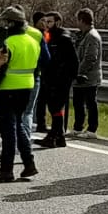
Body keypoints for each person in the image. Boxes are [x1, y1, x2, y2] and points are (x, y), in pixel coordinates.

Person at [0, 6, 40, 183]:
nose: (1, 25)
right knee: (18, 125)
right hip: (26, 88)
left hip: (6, 89)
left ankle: (6, 169)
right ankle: (29, 163)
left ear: (10, 23)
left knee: (7, 131)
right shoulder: (32, 41)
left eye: (3, 21)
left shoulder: (8, 44)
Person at [35, 11, 73, 148]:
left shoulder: (64, 38)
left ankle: (54, 137)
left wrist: (67, 77)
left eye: (49, 22)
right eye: (45, 21)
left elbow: (71, 61)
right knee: (53, 108)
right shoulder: (49, 37)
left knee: (56, 107)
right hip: (49, 77)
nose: (47, 24)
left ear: (57, 22)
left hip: (60, 79)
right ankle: (58, 136)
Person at [70, 8, 102, 136]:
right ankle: (78, 127)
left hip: (88, 77)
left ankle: (91, 129)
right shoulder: (83, 35)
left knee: (90, 104)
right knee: (78, 104)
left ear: (82, 21)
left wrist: (78, 72)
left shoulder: (92, 36)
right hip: (81, 77)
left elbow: (90, 58)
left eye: (78, 20)